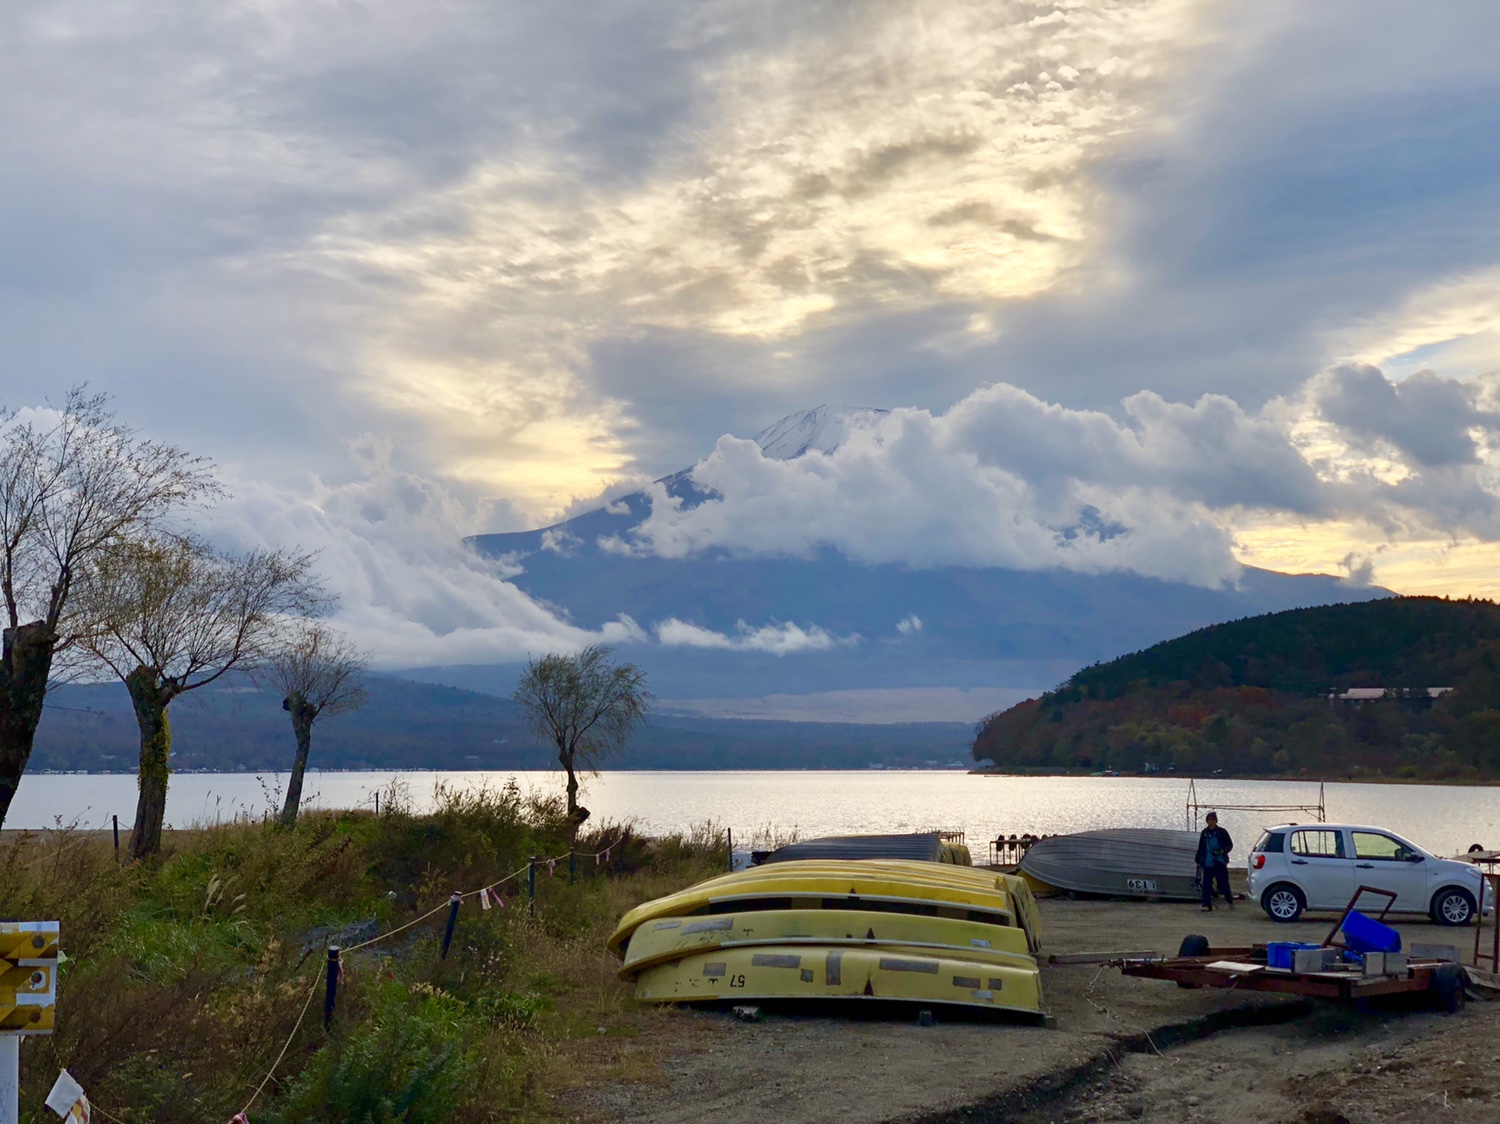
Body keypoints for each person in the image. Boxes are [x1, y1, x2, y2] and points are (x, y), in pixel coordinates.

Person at [1196, 811, 1234, 911]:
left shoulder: (1222, 832)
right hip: (1208, 862)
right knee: (1206, 884)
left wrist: (1222, 851)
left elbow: (1229, 845)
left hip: (1220, 861)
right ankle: (1206, 905)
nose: (1210, 821)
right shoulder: (1204, 833)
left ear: (1216, 821)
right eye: (1209, 819)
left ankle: (1229, 900)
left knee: (1224, 883)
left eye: (1212, 819)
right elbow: (1201, 847)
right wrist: (1198, 859)